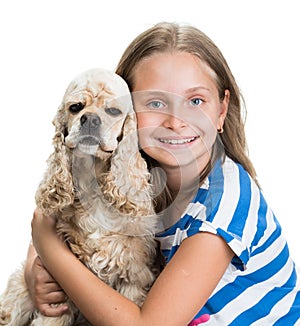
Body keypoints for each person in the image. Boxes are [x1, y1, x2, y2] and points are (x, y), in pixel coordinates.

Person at [26, 22, 300, 325]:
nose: (176, 121)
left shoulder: (222, 210)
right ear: (127, 115)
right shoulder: (135, 169)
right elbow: (61, 213)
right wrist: (34, 267)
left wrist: (51, 252)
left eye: (195, 101)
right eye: (155, 103)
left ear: (221, 111)